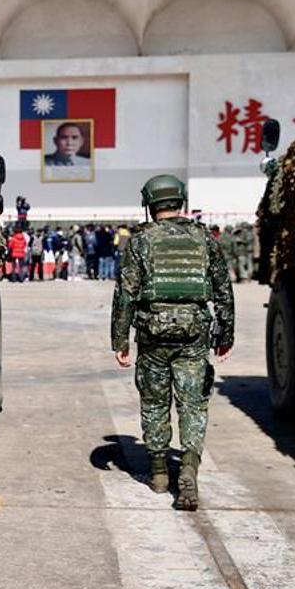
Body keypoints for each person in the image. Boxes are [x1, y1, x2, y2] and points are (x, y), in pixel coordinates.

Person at [110, 175, 234, 510]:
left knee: (154, 403)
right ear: (180, 201)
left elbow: (125, 294)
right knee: (193, 404)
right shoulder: (204, 238)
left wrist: (120, 340)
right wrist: (226, 335)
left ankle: (160, 473)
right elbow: (223, 290)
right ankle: (190, 468)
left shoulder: (139, 241)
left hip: (152, 333)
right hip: (194, 332)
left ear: (149, 204)